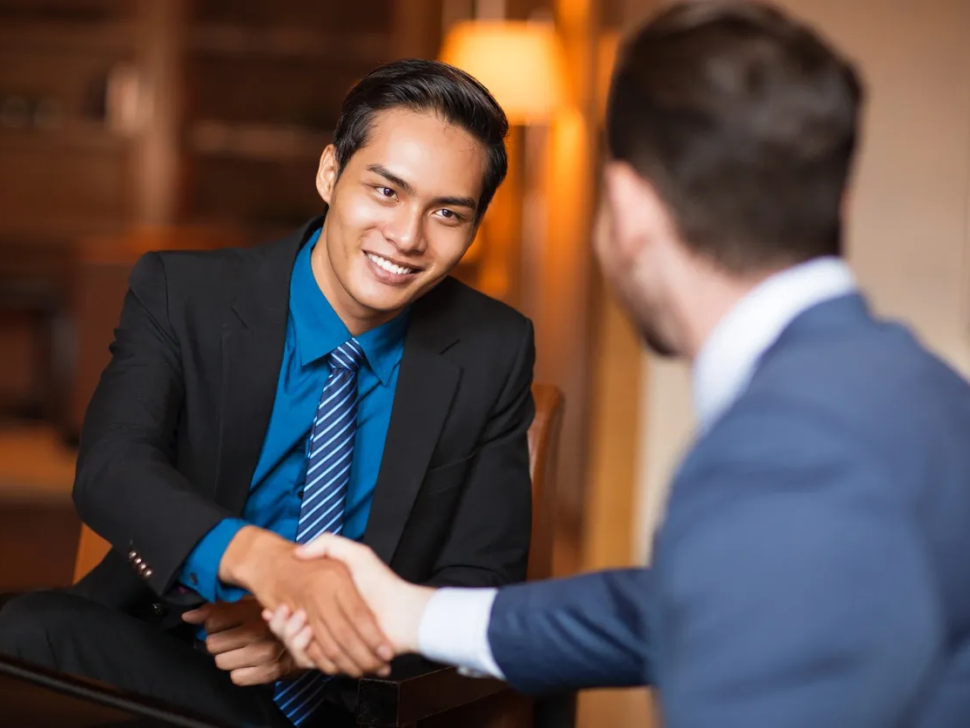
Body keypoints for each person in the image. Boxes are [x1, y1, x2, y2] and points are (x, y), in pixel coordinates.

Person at [265, 3, 970, 727]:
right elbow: (681, 601)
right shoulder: (924, 392)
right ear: (838, 205)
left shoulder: (786, 454)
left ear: (628, 210)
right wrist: (413, 616)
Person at [0, 59, 536, 728]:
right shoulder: (185, 295)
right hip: (168, 651)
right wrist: (268, 568)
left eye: (447, 212)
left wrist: (314, 638)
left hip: (350, 690)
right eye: (386, 191)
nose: (407, 237)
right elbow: (113, 469)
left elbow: (482, 586)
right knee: (27, 632)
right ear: (330, 174)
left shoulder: (493, 349)